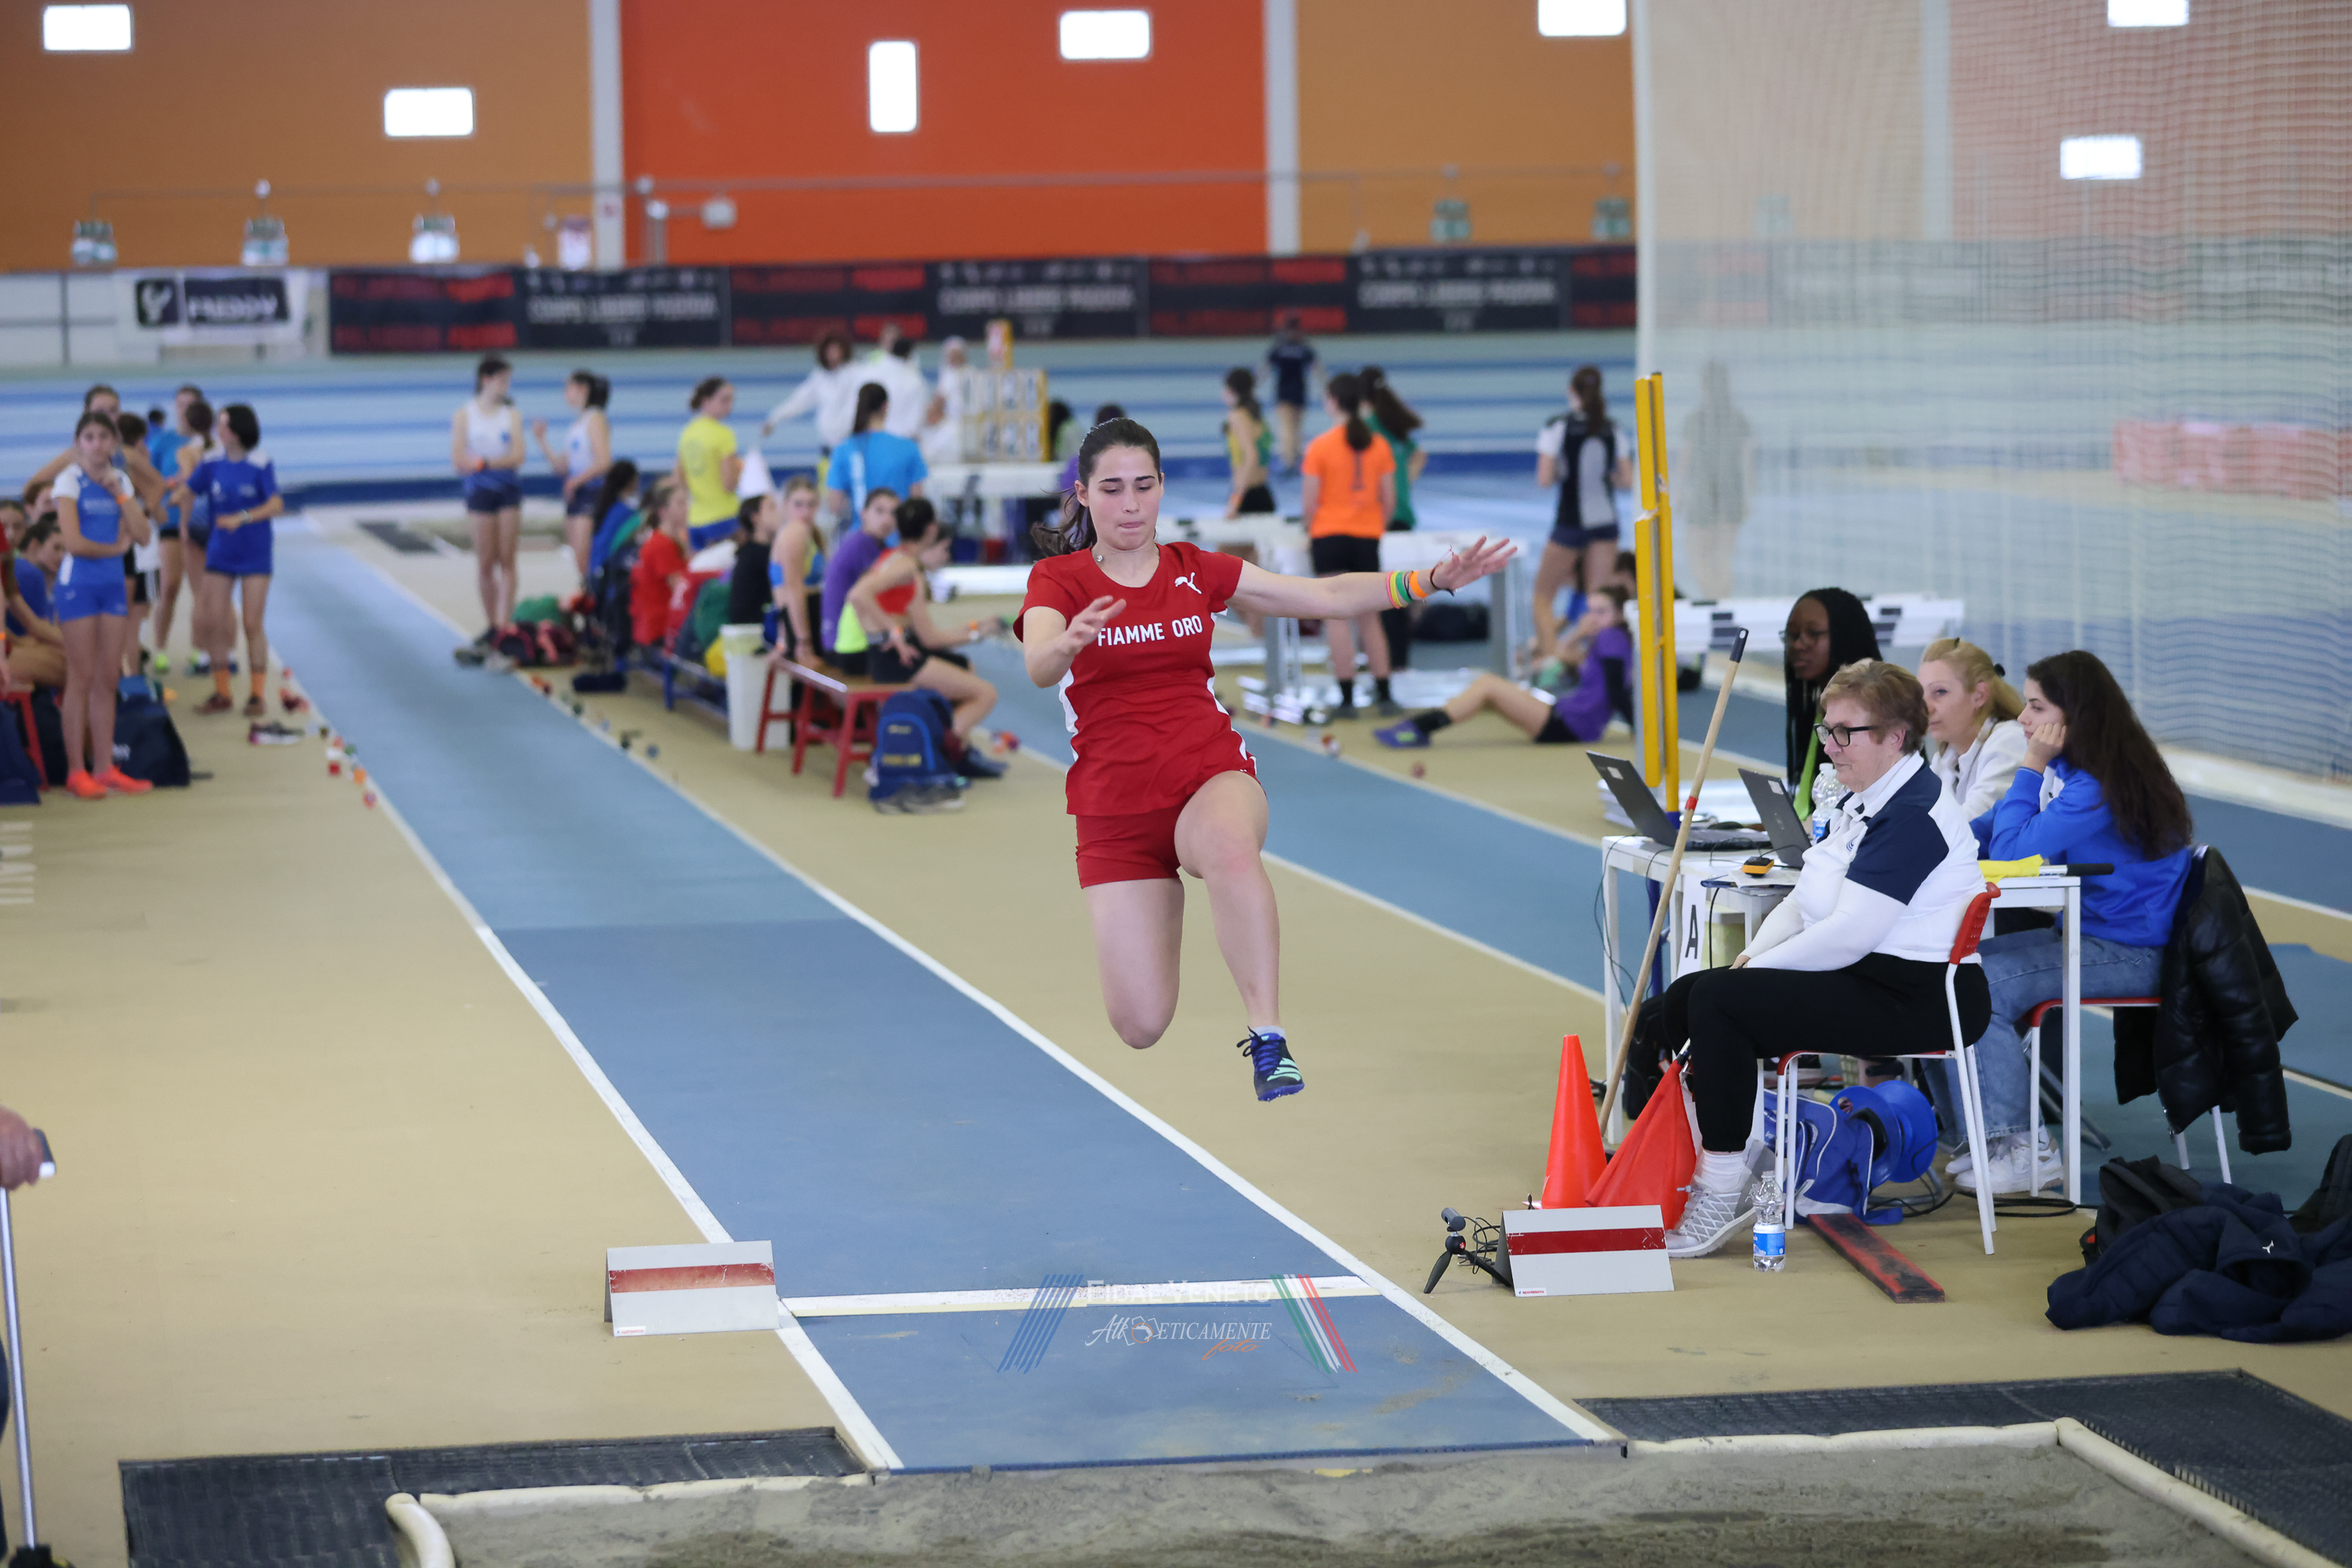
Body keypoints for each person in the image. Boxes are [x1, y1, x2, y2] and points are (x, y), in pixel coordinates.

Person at [1017, 417, 1515, 1098]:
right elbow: (1039, 665)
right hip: (1115, 811)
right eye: (1111, 489)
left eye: (1143, 486)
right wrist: (1068, 642)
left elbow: (1324, 595)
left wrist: (1426, 580)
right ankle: (1168, 909)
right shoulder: (1058, 579)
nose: (1130, 505)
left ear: (1161, 487)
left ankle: (1269, 1038)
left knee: (1229, 847)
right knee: (1140, 1023)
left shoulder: (1195, 570)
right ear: (1082, 494)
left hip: (1208, 775)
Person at [1646, 661, 1991, 1257]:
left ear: (1894, 737)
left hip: (1923, 996)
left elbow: (1849, 935)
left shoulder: (1913, 814)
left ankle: (1722, 1187)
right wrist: (1750, 957)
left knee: (1720, 1003)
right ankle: (1719, 1155)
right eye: (1826, 731)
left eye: (1845, 733)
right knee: (1679, 1002)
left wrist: (1751, 977)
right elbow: (1803, 901)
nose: (1830, 747)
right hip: (1866, 974)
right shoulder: (1864, 799)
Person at [1945, 651, 2195, 1197]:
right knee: (1953, 970)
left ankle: (2027, 1150)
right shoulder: (2074, 775)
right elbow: (1980, 832)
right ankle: (1991, 1143)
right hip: (2090, 938)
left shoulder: (2097, 785)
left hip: (2134, 956)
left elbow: (2009, 851)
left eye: (2036, 707)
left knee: (1979, 988)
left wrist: (2030, 764)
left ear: (2074, 715)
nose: (2022, 719)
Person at [843, 499, 1002, 771]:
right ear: (931, 530)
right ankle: (942, 753)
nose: (946, 555)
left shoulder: (894, 558)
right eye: (944, 548)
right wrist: (893, 632)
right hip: (894, 659)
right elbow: (858, 595)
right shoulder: (907, 567)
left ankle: (955, 749)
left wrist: (976, 628)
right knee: (986, 694)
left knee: (964, 667)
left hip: (888, 652)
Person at [1377, 587, 1632, 748]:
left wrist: (1638, 730)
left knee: (1488, 685)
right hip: (1568, 716)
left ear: (1620, 615)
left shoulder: (1611, 638)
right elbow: (1558, 657)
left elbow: (1616, 689)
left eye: (1601, 612)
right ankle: (1418, 729)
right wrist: (1579, 634)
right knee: (1487, 691)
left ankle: (1418, 728)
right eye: (1590, 611)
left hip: (1574, 725)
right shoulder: (1606, 639)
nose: (1593, 618)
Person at [50, 410, 153, 797]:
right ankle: (76, 771)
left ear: (114, 443)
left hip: (111, 586)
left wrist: (121, 495)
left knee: (109, 679)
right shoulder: (68, 481)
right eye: (89, 437)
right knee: (81, 676)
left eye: (104, 437)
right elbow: (74, 543)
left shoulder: (120, 480)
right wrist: (114, 549)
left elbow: (143, 536)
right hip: (78, 585)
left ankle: (105, 767)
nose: (97, 444)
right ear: (79, 443)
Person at [1299, 373, 1398, 719]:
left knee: (1337, 619)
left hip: (1329, 536)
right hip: (1367, 537)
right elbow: (1389, 500)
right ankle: (1385, 693)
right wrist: (1372, 526)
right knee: (1371, 619)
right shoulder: (1379, 445)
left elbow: (1309, 504)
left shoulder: (1320, 446)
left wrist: (1312, 528)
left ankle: (1346, 699)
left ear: (1333, 402)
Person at [177, 404, 284, 718]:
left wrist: (243, 517)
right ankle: (222, 692)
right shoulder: (211, 462)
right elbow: (189, 488)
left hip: (255, 553)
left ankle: (257, 695)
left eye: (223, 425)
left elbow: (276, 504)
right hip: (220, 552)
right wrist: (174, 494)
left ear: (237, 431)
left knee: (252, 623)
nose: (217, 430)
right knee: (213, 620)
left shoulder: (260, 463)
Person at [1533, 366, 1634, 656]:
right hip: (1606, 523)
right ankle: (1587, 662)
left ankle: (1552, 657)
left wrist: (1563, 473)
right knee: (1597, 601)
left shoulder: (1557, 427)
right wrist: (1606, 477)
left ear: (1571, 392)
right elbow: (1627, 480)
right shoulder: (1612, 429)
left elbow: (1544, 479)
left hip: (1570, 522)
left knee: (1542, 596)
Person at [1782, 587, 1882, 819]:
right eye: (1793, 635)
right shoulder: (1822, 704)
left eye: (1813, 633)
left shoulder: (1872, 707)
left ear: (1845, 635)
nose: (1798, 645)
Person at [453, 356, 526, 641]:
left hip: (508, 491)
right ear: (486, 380)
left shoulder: (512, 415)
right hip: (479, 493)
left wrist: (483, 463)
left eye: (508, 381)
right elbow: (459, 459)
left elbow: (518, 456)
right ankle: (492, 624)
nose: (507, 385)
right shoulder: (465, 415)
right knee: (486, 562)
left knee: (507, 559)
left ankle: (504, 623)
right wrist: (491, 463)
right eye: (502, 380)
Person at [1918, 637, 2027, 819]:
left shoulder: (2009, 741)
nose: (1926, 708)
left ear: (1979, 695)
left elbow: (1970, 824)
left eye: (1940, 692)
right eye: (1921, 695)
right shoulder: (1945, 760)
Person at [1677, 360, 1753, 601]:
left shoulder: (1696, 419)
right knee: (1722, 556)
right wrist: (1747, 497)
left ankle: (1714, 598)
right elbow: (1747, 463)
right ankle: (1720, 599)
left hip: (1704, 493)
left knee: (1697, 553)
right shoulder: (1737, 419)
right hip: (1731, 494)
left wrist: (1678, 492)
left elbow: (1685, 459)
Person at [534, 369, 612, 583]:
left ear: (583, 389)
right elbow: (561, 466)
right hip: (577, 494)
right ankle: (588, 595)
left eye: (568, 388)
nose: (565, 394)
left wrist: (576, 481)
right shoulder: (578, 424)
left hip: (591, 493)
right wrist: (542, 440)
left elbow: (604, 461)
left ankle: (595, 596)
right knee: (579, 559)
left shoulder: (595, 419)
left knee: (586, 557)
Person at [146, 383, 203, 673]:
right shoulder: (162, 442)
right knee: (169, 586)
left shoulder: (209, 443)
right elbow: (150, 481)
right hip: (169, 521)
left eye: (191, 405)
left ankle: (199, 649)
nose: (185, 410)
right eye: (180, 404)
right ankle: (160, 649)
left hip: (201, 524)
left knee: (202, 590)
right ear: (174, 408)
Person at [111, 412, 170, 676]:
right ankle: (132, 678)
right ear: (140, 440)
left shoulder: (117, 469)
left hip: (130, 553)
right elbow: (162, 515)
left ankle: (129, 675)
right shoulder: (135, 468)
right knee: (131, 628)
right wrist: (146, 511)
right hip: (143, 557)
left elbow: (160, 514)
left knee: (124, 626)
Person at [823, 385, 927, 528]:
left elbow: (835, 505)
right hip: (897, 534)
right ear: (885, 407)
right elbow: (917, 502)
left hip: (860, 534)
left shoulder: (844, 450)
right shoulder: (909, 448)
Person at [819, 486, 902, 663]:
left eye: (893, 513)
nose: (887, 519)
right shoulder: (862, 546)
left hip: (843, 642)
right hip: (844, 647)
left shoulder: (874, 545)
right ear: (863, 514)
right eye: (879, 511)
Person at [762, 332, 859, 456]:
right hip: (828, 446)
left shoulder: (856, 373)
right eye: (829, 350)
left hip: (851, 445)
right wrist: (774, 418)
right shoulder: (819, 377)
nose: (833, 354)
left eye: (836, 349)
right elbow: (798, 401)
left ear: (844, 350)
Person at [678, 377, 744, 550]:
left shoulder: (687, 433)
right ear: (706, 401)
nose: (729, 406)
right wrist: (739, 469)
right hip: (724, 516)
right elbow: (729, 484)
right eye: (724, 400)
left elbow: (680, 479)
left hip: (695, 519)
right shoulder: (724, 435)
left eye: (731, 400)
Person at [764, 474, 822, 660]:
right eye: (798, 505)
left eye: (811, 504)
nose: (805, 512)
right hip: (802, 623)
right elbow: (792, 590)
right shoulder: (795, 533)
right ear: (785, 505)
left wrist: (783, 640)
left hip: (796, 622)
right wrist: (803, 641)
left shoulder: (811, 534)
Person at [629, 479, 692, 651]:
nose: (687, 508)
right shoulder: (661, 545)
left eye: (686, 502)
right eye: (680, 503)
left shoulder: (674, 541)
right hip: (660, 628)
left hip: (662, 624)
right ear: (663, 512)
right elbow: (682, 590)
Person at [1359, 367, 1425, 531]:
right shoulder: (1392, 425)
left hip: (1376, 514)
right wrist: (1403, 482)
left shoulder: (1365, 428)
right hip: (1402, 512)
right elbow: (1419, 455)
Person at [6, 517, 68, 692]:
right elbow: (35, 627)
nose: (10, 535)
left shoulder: (10, 567)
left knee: (76, 661)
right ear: (34, 545)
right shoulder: (30, 573)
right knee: (75, 667)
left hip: (10, 646)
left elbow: (32, 623)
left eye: (17, 527)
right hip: (8, 651)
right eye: (56, 548)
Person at [1264, 315, 1319, 474]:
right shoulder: (1304, 348)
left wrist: (1251, 385)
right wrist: (1327, 388)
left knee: (1287, 428)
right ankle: (1295, 458)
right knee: (1296, 428)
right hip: (1299, 391)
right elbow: (1317, 369)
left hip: (1285, 392)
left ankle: (1289, 461)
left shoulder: (1279, 347)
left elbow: (1265, 368)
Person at [1221, 368, 1276, 517]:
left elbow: (1252, 457)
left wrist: (1236, 499)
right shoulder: (1257, 417)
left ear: (1231, 391)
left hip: (1246, 494)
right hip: (1262, 491)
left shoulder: (1238, 416)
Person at [585, 460, 644, 583]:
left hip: (594, 567)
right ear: (632, 481)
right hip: (606, 571)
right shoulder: (627, 512)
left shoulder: (606, 507)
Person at [920, 336, 971, 463]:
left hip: (967, 424)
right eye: (950, 355)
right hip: (949, 423)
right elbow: (939, 399)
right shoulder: (947, 375)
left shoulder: (971, 374)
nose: (953, 358)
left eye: (956, 355)